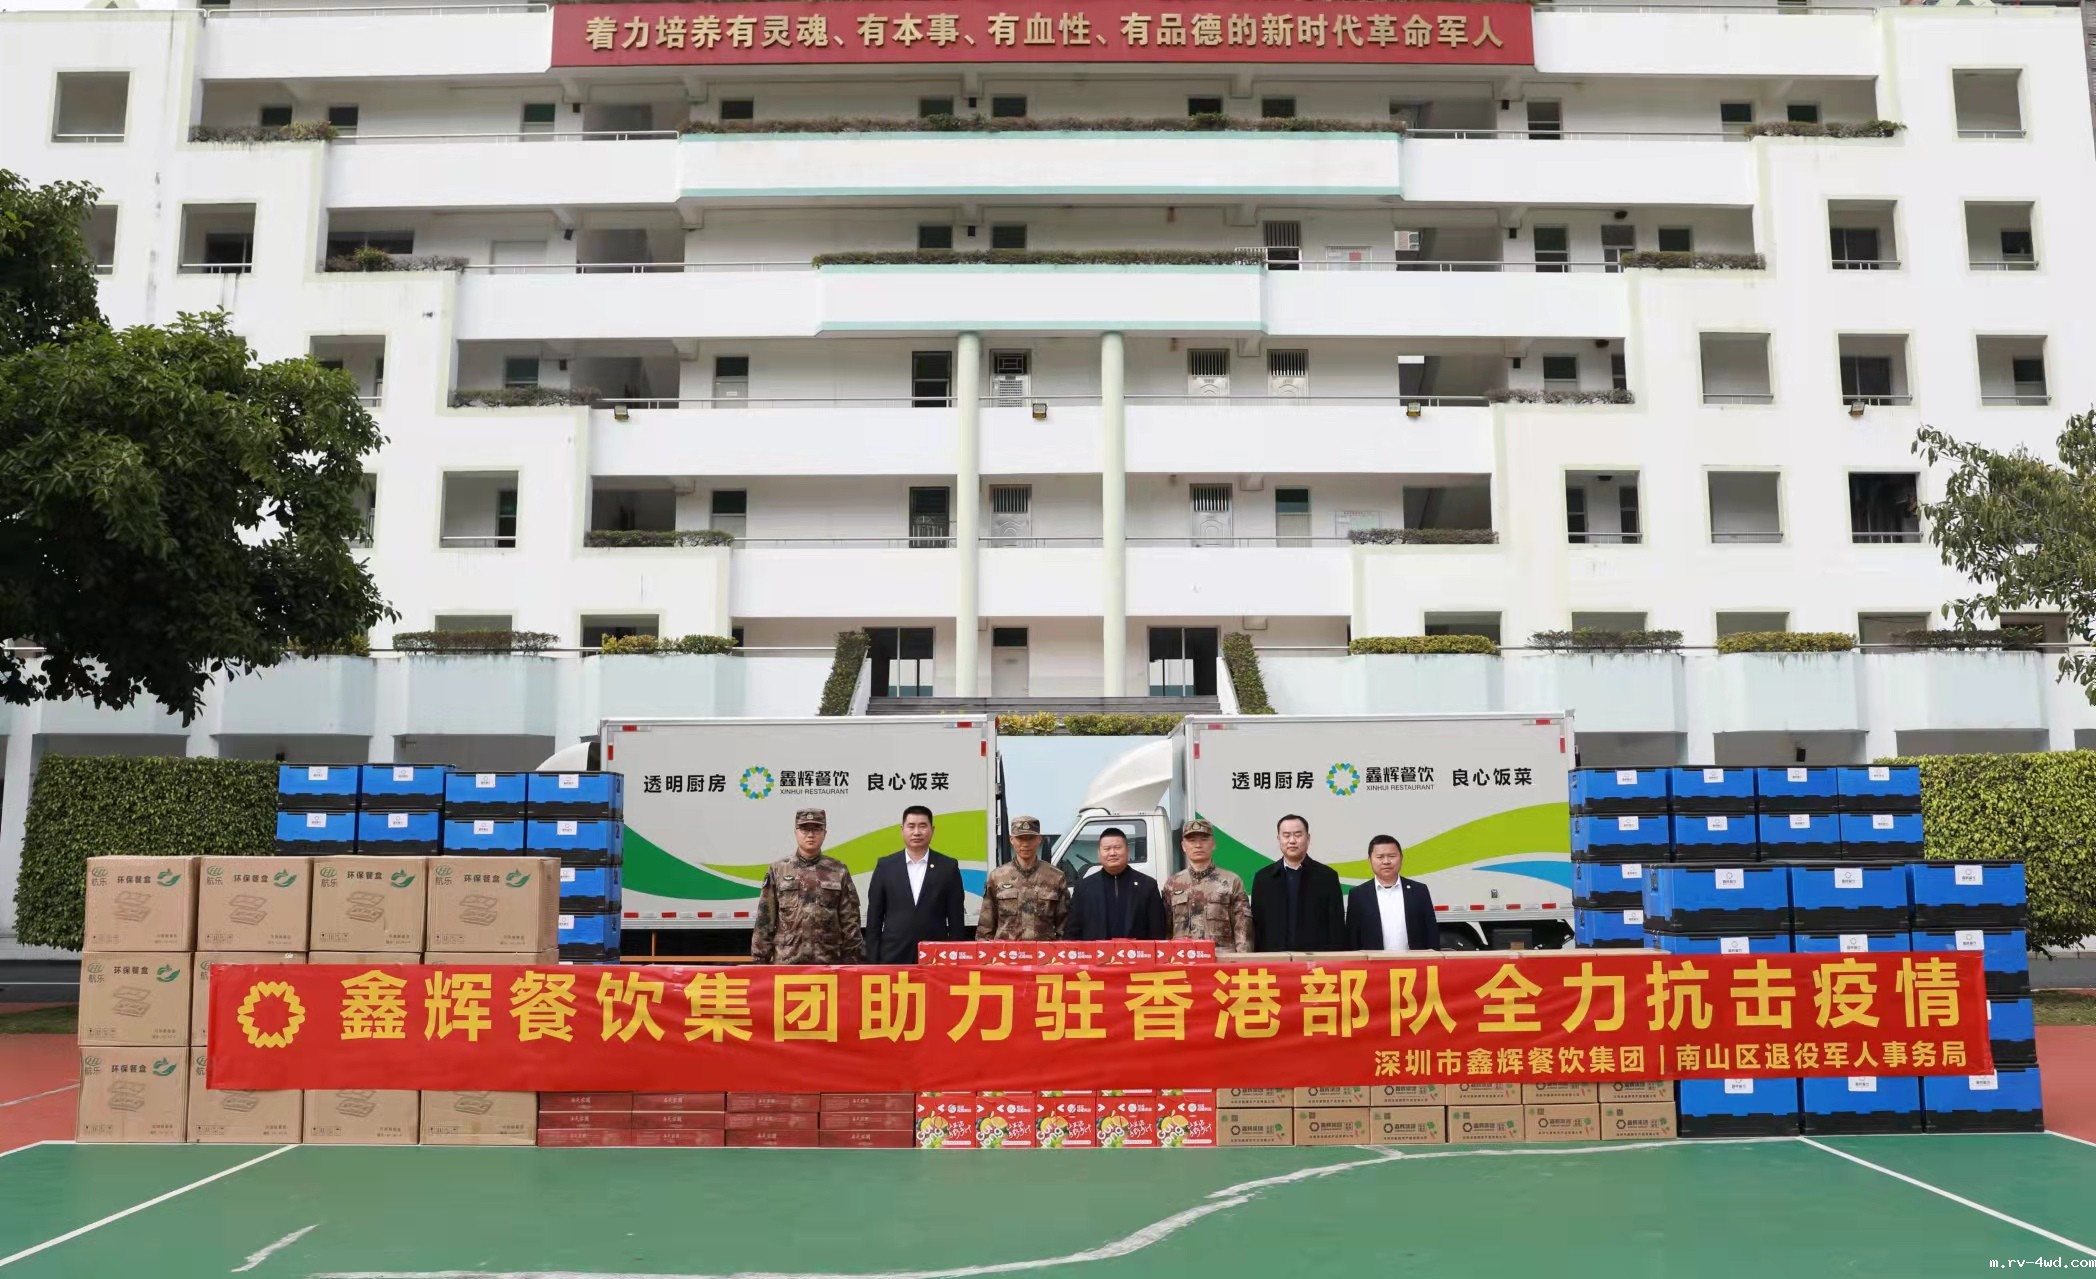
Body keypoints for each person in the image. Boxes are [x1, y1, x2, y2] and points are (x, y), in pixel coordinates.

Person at [750, 808, 861, 964]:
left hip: (827, 963)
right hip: (788, 963)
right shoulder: (779, 869)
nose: (810, 834)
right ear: (796, 833)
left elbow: (850, 920)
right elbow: (765, 920)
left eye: (817, 829)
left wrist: (852, 961)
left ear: (824, 833)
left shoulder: (838, 870)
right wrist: (760, 961)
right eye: (805, 829)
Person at [864, 804, 967, 964]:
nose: (917, 832)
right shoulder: (885, 866)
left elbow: (956, 920)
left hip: (935, 958)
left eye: (922, 826)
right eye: (911, 826)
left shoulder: (948, 867)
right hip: (893, 956)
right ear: (902, 830)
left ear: (932, 830)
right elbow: (874, 919)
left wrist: (954, 960)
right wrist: (872, 960)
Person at [1250, 813, 1345, 953]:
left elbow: (1336, 926)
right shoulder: (1263, 878)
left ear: (1308, 838)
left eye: (1298, 835)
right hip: (1273, 959)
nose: (1292, 840)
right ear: (1278, 839)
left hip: (1315, 959)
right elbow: (1257, 925)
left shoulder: (1327, 877)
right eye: (1286, 835)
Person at [1162, 818, 1251, 953]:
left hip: (1221, 959)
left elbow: (1243, 928)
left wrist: (1243, 960)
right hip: (1183, 958)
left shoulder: (1231, 881)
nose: (1198, 845)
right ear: (1183, 846)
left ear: (1213, 844)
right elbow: (1166, 930)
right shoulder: (1172, 884)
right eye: (1192, 841)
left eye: (1204, 840)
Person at [977, 815, 1069, 941]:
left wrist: (1059, 951)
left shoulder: (1056, 877)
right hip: (1006, 952)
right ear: (1011, 840)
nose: (1025, 844)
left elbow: (1064, 928)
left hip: (1043, 952)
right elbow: (985, 929)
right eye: (1020, 838)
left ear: (1039, 839)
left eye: (1030, 838)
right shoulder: (997, 877)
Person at [1064, 827, 1167, 940]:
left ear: (1127, 851)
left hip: (1136, 951)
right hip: (1096, 951)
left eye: (1117, 848)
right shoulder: (1083, 888)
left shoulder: (1147, 885)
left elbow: (1157, 932)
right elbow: (1072, 933)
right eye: (1107, 849)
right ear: (1099, 853)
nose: (1112, 853)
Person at [1346, 834, 1440, 952]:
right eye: (1380, 857)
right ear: (1370, 860)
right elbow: (1352, 937)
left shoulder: (1419, 890)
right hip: (1374, 961)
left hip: (1413, 961)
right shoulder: (1358, 894)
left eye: (1392, 856)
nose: (1386, 861)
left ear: (1401, 858)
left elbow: (1431, 932)